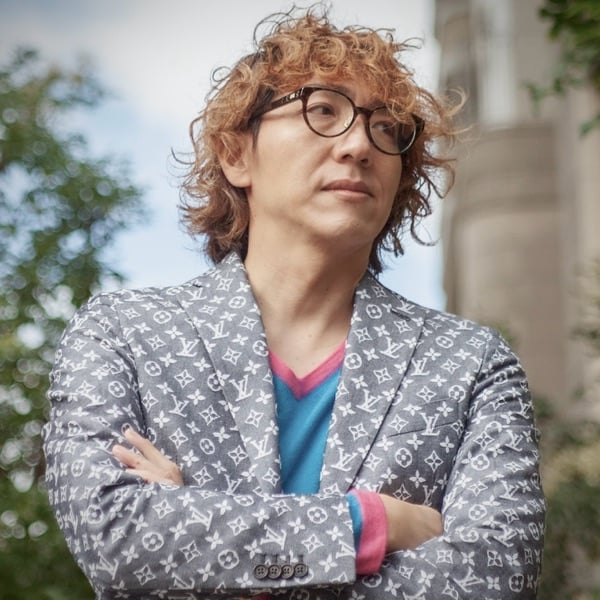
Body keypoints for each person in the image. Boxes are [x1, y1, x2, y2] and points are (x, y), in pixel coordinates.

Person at [43, 6, 545, 599]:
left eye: (387, 129)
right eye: (322, 110)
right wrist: (374, 524)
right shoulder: (122, 335)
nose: (359, 144)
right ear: (236, 153)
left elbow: (496, 575)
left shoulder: (471, 364)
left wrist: (204, 543)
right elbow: (118, 537)